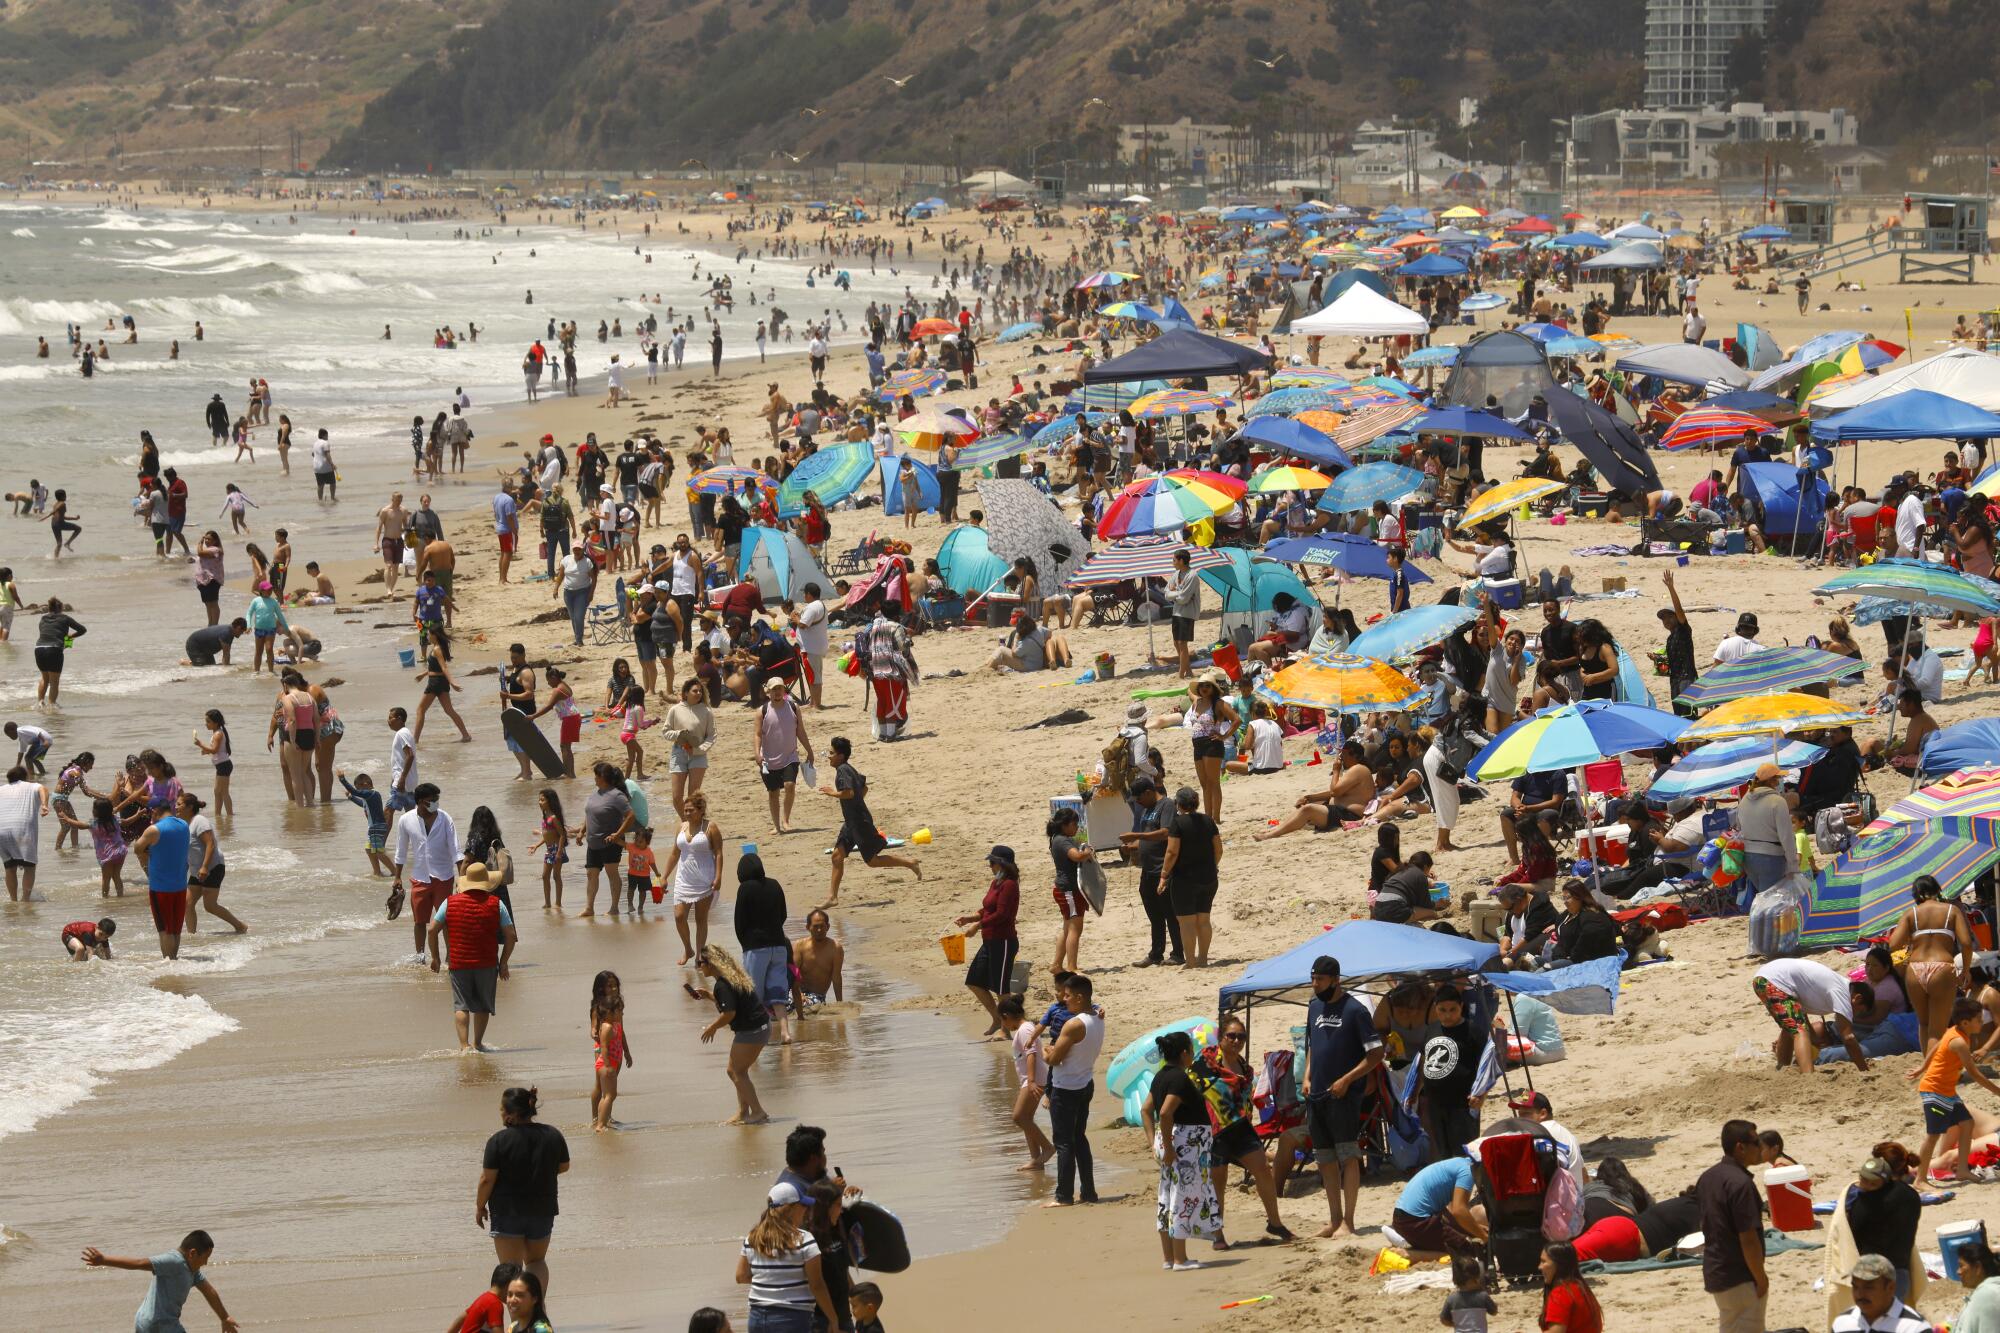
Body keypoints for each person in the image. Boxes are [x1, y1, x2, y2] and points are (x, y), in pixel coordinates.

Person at [1304, 956, 1383, 1238]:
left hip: (1345, 1097)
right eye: (1313, 979)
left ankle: (1349, 1221)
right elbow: (1313, 1044)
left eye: (1320, 980)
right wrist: (1307, 1076)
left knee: (1348, 1156)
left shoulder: (1355, 1010)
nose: (1315, 985)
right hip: (1317, 1095)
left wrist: (1347, 1079)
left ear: (1336, 979)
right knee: (1324, 1159)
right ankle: (1334, 1219)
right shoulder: (1314, 1007)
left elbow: (1375, 1055)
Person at [1200, 1016, 1292, 1248]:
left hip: (1241, 1128)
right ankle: (1217, 1234)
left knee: (1262, 1171)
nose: (1237, 1040)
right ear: (1221, 1038)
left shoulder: (1244, 1068)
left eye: (1241, 1036)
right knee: (1218, 1184)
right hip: (1215, 1131)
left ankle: (1275, 1223)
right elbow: (1190, 1090)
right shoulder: (1206, 1061)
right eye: (1231, 1036)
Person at [477, 1086, 569, 1297]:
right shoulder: (552, 1135)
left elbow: (486, 1179)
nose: (500, 1113)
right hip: (543, 1209)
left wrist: (480, 1206)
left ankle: (518, 1319)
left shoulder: (498, 1141)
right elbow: (564, 1166)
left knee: (511, 1267)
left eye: (501, 1109)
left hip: (507, 1211)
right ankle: (537, 1310)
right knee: (537, 1262)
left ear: (511, 1113)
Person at [1141, 1029, 1221, 1269]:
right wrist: (1167, 1147)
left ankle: (1168, 1258)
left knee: (1167, 1196)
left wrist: (1153, 1142)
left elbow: (1146, 1110)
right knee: (1182, 1196)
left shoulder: (1160, 1077)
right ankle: (1180, 1259)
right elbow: (1165, 1112)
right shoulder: (1179, 1078)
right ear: (1185, 1053)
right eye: (1191, 1051)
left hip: (1174, 1143)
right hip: (1185, 1144)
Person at [817, 737, 920, 908]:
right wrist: (857, 803)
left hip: (860, 822)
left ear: (841, 756)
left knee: (872, 862)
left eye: (831, 753)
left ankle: (909, 863)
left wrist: (832, 793)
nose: (829, 756)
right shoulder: (848, 768)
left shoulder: (843, 770)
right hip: (851, 821)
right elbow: (863, 787)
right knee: (837, 856)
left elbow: (849, 793)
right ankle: (832, 897)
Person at [428, 862, 517, 1054]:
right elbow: (511, 935)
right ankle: (478, 1043)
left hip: (458, 962)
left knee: (461, 1005)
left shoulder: (450, 902)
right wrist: (503, 963)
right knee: (483, 1005)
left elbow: (432, 930)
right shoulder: (497, 904)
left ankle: (464, 1046)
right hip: (486, 963)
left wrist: (435, 957)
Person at [1887, 873, 1977, 1057]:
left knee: (1924, 1024)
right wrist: (1965, 970)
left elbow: (1893, 944)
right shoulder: (1951, 911)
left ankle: (1928, 1069)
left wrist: (1905, 957)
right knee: (1938, 1029)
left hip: (1915, 968)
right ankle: (1934, 1074)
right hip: (1942, 968)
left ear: (1916, 894)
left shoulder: (1910, 914)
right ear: (1937, 890)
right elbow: (1966, 943)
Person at [81, 1230, 238, 1333]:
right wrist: (104, 1260)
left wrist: (224, 1317)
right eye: (206, 1258)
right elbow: (139, 1263)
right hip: (161, 1324)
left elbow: (209, 1291)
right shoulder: (173, 1261)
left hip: (145, 1322)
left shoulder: (192, 1270)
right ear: (192, 1253)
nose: (205, 1263)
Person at [1914, 996, 2000, 1184]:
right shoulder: (1960, 1041)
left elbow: (1936, 1047)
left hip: (1945, 1091)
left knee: (1966, 1123)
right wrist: (1997, 1091)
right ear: (1965, 1022)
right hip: (1935, 1091)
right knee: (1933, 1135)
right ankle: (1919, 1177)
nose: (1983, 1022)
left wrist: (1922, 1067)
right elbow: (1974, 1074)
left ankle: (1960, 1169)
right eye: (1979, 1019)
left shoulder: (1955, 1032)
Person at [737, 1182, 841, 1332]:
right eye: (803, 1205)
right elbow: (817, 1285)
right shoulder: (804, 1239)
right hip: (792, 1318)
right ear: (791, 1209)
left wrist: (771, 1279)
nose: (806, 1210)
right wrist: (833, 1319)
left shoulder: (753, 1238)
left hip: (757, 1318)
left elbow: (740, 1276)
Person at [1698, 1119, 1769, 1333]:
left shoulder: (1708, 1177)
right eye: (1757, 1142)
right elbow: (1747, 1238)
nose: (1761, 1148)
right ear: (1741, 1147)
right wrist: (1760, 1278)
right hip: (1740, 1276)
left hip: (1716, 1271)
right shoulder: (1741, 1184)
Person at [1041, 971, 1105, 1208]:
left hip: (1066, 1087)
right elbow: (1096, 1007)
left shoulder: (1074, 1024)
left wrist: (1046, 1051)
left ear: (1079, 997)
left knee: (1064, 1142)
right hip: (1085, 1083)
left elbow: (1054, 1059)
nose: (1063, 1000)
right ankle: (1088, 1192)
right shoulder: (1097, 1017)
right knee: (1079, 1138)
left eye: (1067, 996)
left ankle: (1063, 1196)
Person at [1755, 955, 1871, 1071]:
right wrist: (1864, 1069)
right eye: (1859, 1010)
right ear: (1857, 998)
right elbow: (1848, 1038)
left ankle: (1782, 1069)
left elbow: (1801, 1012)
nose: (1856, 1015)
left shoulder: (1837, 985)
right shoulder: (1843, 992)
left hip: (1765, 978)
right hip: (1773, 981)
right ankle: (1808, 1076)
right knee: (1799, 1031)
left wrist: (1813, 1038)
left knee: (1791, 1027)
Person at [697, 943, 771, 1125]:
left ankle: (758, 1111)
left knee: (734, 1071)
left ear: (711, 964)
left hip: (752, 1030)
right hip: (760, 1026)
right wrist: (708, 995)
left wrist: (712, 1027)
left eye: (701, 962)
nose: (699, 966)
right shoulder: (732, 977)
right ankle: (743, 1112)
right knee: (739, 1071)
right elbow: (731, 1004)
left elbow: (729, 1013)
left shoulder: (722, 985)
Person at [735, 854, 800, 1045]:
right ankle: (785, 1033)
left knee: (754, 993)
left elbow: (740, 922)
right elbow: (783, 914)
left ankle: (755, 1035)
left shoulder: (745, 889)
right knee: (777, 991)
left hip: (756, 948)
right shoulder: (775, 885)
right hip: (779, 945)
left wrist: (746, 943)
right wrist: (774, 932)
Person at [955, 845, 1020, 1033]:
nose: (990, 866)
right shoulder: (996, 883)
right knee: (974, 981)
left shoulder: (1009, 885)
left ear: (1001, 864)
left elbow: (1001, 915)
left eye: (992, 862)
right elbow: (988, 908)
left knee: (1001, 988)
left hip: (1004, 941)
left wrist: (978, 926)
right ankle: (999, 1019)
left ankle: (1007, 1027)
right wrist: (971, 918)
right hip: (989, 941)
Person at [392, 783, 462, 955]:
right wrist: (397, 876)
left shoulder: (445, 818)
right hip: (420, 877)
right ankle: (420, 956)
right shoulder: (406, 820)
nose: (436, 803)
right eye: (433, 800)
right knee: (419, 921)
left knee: (445, 920)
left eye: (437, 799)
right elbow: (400, 850)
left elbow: (456, 850)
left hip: (444, 877)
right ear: (421, 802)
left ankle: (449, 957)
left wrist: (462, 879)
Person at [1846, 1155, 1924, 1301]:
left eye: (1872, 1183)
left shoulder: (1862, 1205)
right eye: (1864, 1180)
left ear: (1885, 1181)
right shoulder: (1908, 1194)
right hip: (1901, 1274)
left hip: (1872, 1276)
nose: (1866, 1185)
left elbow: (1852, 1236)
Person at [1160, 786, 1221, 968]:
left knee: (1186, 922)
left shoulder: (1177, 823)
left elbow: (1172, 852)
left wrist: (1164, 875)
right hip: (1208, 877)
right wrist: (1213, 866)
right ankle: (1203, 959)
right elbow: (1218, 849)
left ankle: (1191, 961)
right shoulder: (1208, 821)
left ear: (1178, 804)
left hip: (1184, 879)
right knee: (1203, 920)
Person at [661, 792, 722, 964]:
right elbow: (674, 853)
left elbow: (718, 853)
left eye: (690, 810)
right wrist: (664, 876)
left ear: (700, 810)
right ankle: (688, 948)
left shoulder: (711, 827)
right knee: (679, 916)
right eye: (685, 810)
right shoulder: (681, 827)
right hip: (683, 878)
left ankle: (699, 956)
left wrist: (718, 877)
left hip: (704, 878)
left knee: (700, 919)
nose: (687, 813)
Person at [1389, 1155, 1485, 1260]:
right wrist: (1484, 1237)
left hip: (1403, 1219)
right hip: (1415, 1222)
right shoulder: (1467, 1172)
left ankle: (1421, 1248)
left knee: (1463, 1238)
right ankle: (1411, 1254)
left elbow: (1451, 1213)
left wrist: (1477, 1229)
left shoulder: (1459, 1163)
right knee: (1468, 1251)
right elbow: (1459, 1211)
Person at [129, 798, 191, 959]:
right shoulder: (184, 826)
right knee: (176, 929)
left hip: (160, 887)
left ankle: (168, 964)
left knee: (164, 930)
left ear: (155, 811)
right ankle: (174, 960)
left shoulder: (154, 830)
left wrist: (148, 850)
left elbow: (137, 848)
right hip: (180, 885)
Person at [753, 678, 814, 834]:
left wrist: (809, 750)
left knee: (789, 786)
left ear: (784, 690)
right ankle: (777, 826)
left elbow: (800, 731)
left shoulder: (793, 707)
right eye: (774, 689)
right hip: (768, 759)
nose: (777, 692)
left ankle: (786, 820)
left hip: (790, 756)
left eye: (780, 688)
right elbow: (758, 734)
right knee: (773, 793)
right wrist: (757, 753)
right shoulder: (762, 711)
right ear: (769, 692)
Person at [581, 763, 634, 917]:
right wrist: (581, 831)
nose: (594, 778)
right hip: (593, 842)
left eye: (596, 775)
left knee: (612, 873)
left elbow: (630, 816)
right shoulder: (595, 794)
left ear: (603, 777)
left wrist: (617, 834)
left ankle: (614, 908)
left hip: (610, 843)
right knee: (591, 874)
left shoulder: (617, 795)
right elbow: (589, 814)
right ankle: (589, 908)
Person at [1832, 1253, 1931, 1332]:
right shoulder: (1841, 1324)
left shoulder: (1914, 1327)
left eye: (1868, 1287)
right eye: (1855, 1287)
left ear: (1890, 1288)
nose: (1859, 1294)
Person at [1538, 1242, 1603, 1333]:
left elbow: (1556, 1332)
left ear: (1558, 1265)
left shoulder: (1560, 1293)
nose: (1539, 1267)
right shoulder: (1580, 1287)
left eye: (1543, 1261)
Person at [454, 1261, 523, 1333]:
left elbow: (460, 1320)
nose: (515, 1297)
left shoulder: (483, 1299)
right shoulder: (495, 1304)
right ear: (508, 1286)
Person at [1440, 1254, 1497, 1332]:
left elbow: (1444, 1320)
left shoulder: (1451, 1299)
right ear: (1477, 1277)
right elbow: (1494, 1312)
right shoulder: (1482, 1296)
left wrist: (1455, 1324)